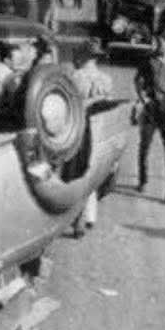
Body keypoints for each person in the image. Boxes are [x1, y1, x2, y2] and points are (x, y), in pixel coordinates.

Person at [135, 30, 165, 203]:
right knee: (145, 146)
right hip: (152, 108)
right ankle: (143, 179)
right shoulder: (148, 60)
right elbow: (138, 82)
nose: (158, 45)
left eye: (162, 42)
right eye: (158, 42)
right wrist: (144, 100)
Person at [71, 41, 113, 237]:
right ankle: (90, 216)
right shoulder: (106, 80)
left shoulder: (74, 77)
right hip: (101, 130)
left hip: (80, 129)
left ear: (83, 57)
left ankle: (78, 217)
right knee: (94, 171)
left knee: (79, 171)